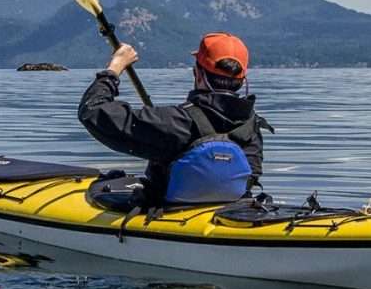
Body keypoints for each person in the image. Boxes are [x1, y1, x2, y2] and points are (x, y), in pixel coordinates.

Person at [77, 32, 271, 205]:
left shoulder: (175, 121)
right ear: (242, 80)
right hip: (232, 209)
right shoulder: (251, 126)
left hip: (168, 212)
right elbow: (252, 175)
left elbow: (92, 110)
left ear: (198, 74)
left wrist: (114, 68)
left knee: (101, 188)